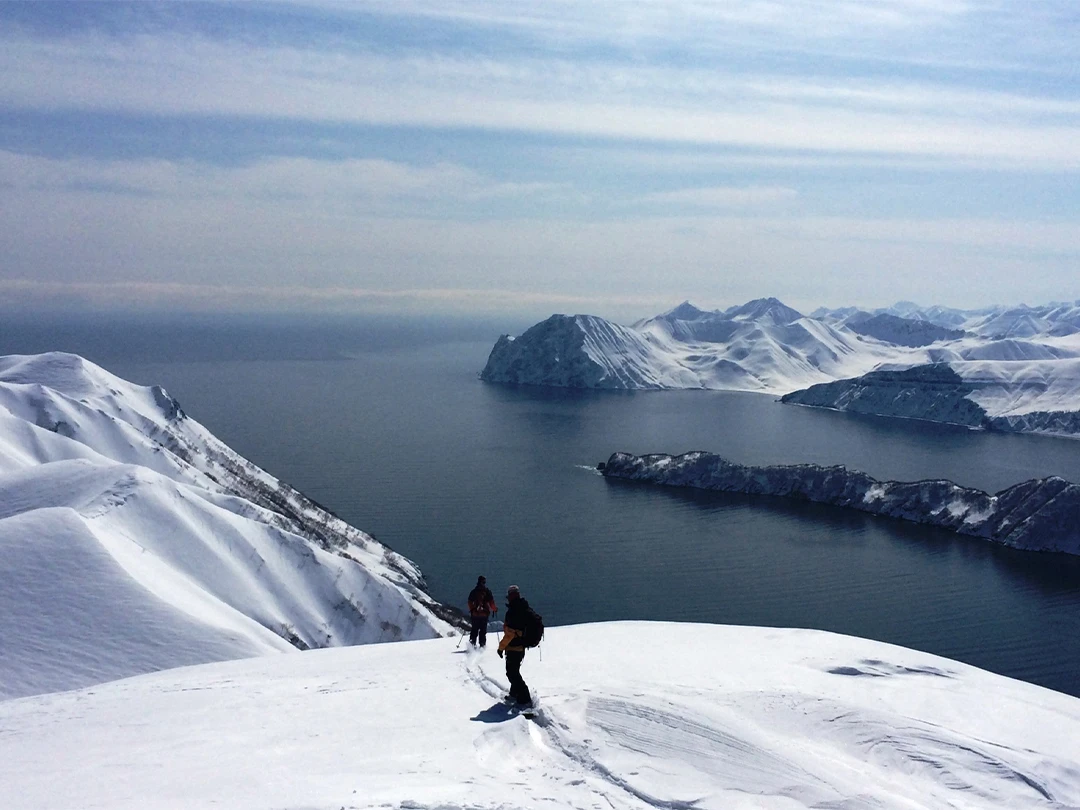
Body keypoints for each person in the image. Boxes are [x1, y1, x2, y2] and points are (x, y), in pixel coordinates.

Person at [497, 584, 532, 707]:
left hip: (513, 647)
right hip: (521, 646)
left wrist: (501, 648)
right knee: (514, 670)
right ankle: (514, 694)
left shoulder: (513, 612)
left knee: (512, 673)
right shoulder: (524, 608)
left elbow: (509, 634)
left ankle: (525, 697)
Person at [466, 575, 497, 647]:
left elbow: (469, 602)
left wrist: (472, 610)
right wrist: (495, 609)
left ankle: (472, 645)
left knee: (474, 629)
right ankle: (482, 646)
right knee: (482, 631)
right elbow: (491, 603)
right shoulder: (487, 591)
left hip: (475, 614)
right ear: (484, 582)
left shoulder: (474, 591)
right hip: (484, 614)